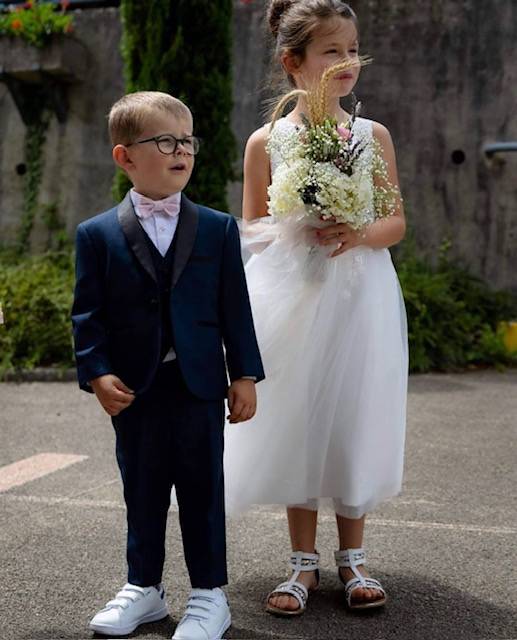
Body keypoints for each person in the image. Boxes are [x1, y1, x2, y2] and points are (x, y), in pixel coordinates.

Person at [223, 0, 408, 616]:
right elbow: (250, 228)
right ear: (293, 63)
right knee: (301, 416)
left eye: (353, 49)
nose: (348, 61)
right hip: (293, 292)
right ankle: (301, 562)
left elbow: (396, 222)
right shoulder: (265, 141)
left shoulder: (370, 135)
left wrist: (357, 231)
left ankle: (352, 559)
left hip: (360, 293)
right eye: (332, 51)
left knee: (354, 412)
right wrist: (297, 222)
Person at [71, 91, 264, 640]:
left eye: (187, 141)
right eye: (164, 141)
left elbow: (235, 309)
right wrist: (96, 371)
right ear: (125, 156)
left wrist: (244, 374)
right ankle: (144, 589)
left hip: (200, 382)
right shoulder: (96, 234)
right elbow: (87, 313)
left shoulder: (218, 228)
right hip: (135, 386)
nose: (181, 151)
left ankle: (209, 594)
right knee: (143, 487)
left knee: (203, 489)